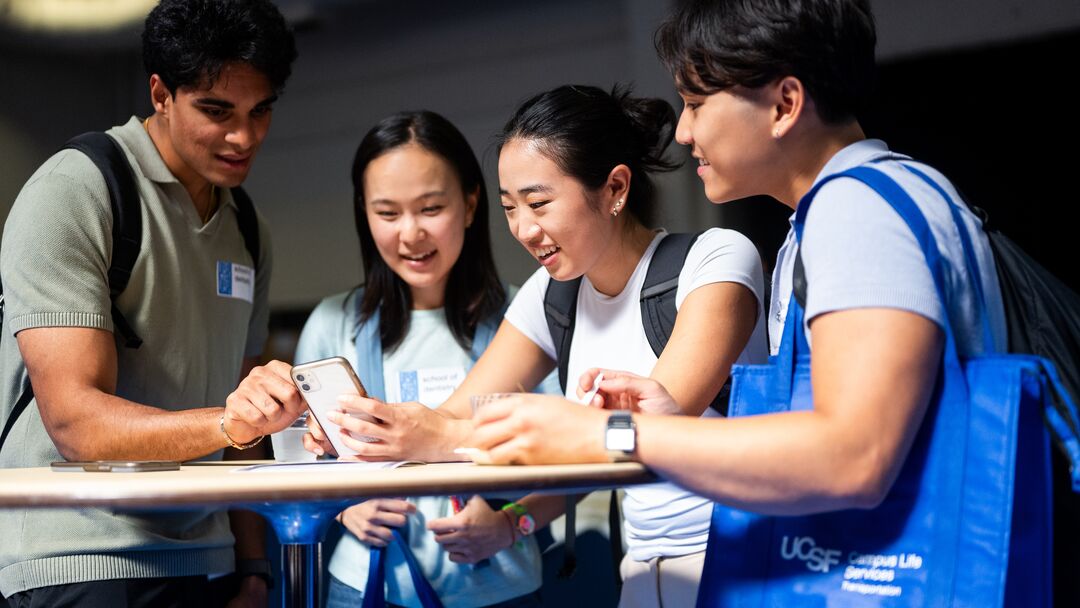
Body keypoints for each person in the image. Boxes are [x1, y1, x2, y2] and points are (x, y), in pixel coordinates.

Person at [470, 0, 1015, 591]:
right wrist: (659, 417)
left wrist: (608, 434)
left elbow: (855, 457)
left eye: (697, 103)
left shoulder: (857, 211)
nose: (682, 130)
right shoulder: (866, 200)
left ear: (784, 104)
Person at [307, 84, 768, 608]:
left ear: (615, 188)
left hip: (742, 559)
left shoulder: (716, 261)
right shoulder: (551, 294)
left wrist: (440, 437)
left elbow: (654, 424)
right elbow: (450, 415)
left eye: (539, 203)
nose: (524, 229)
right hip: (642, 568)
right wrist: (368, 430)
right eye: (510, 207)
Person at [0, 1, 305, 606]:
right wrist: (227, 422)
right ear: (161, 93)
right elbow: (76, 424)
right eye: (216, 111)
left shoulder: (248, 227)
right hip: (83, 555)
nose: (244, 137)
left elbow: (247, 406)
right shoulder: (76, 190)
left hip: (211, 555)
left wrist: (252, 566)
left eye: (260, 110)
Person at [293, 111, 544, 607]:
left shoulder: (527, 317)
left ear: (471, 203)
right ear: (363, 214)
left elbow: (574, 460)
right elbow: (297, 458)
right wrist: (343, 510)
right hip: (364, 585)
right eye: (387, 214)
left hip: (502, 589)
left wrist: (509, 522)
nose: (410, 234)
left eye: (431, 208)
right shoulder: (332, 324)